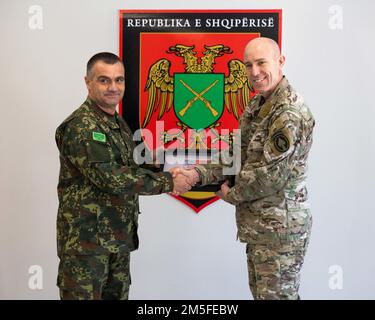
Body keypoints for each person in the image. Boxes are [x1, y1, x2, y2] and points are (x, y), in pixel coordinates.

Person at [176, 37, 315, 299]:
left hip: (279, 231)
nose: (254, 72)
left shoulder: (288, 113)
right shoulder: (258, 104)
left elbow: (270, 176)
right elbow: (236, 154)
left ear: (280, 61)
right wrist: (197, 173)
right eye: (248, 65)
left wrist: (232, 195)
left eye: (261, 62)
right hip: (261, 228)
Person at [55, 52, 194, 300]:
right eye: (104, 80)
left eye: (119, 80)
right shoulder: (82, 126)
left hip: (115, 240)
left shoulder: (116, 122)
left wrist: (162, 165)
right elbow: (110, 177)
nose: (113, 87)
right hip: (86, 246)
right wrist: (170, 181)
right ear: (87, 82)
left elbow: (128, 164)